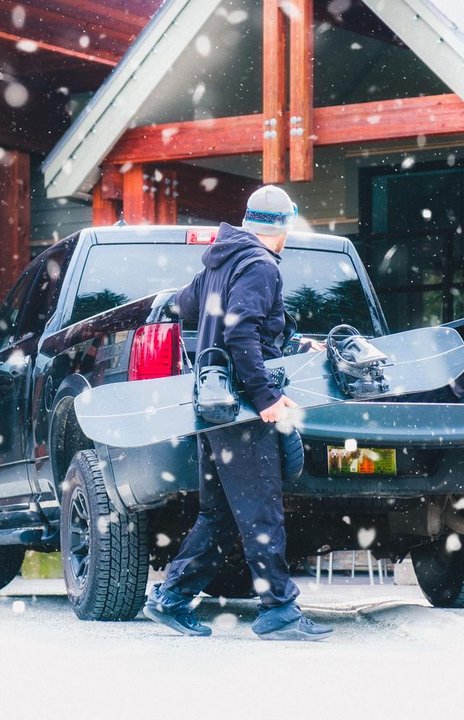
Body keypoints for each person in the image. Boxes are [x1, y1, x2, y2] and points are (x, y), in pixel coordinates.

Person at [143, 185, 333, 641]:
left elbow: (186, 305)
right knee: (262, 510)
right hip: (244, 412)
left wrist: (291, 342)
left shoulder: (219, 262)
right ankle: (279, 612)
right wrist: (266, 398)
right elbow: (240, 333)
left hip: (214, 408)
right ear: (284, 225)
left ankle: (171, 598)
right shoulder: (261, 264)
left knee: (223, 514)